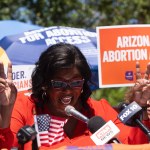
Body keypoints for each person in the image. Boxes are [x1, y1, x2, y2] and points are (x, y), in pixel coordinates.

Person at [0, 43, 149, 150]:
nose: (68, 90)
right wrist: (5, 113)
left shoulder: (97, 111)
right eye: (59, 83)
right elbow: (8, 146)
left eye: (76, 82)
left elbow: (133, 144)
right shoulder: (26, 106)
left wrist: (141, 108)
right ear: (44, 83)